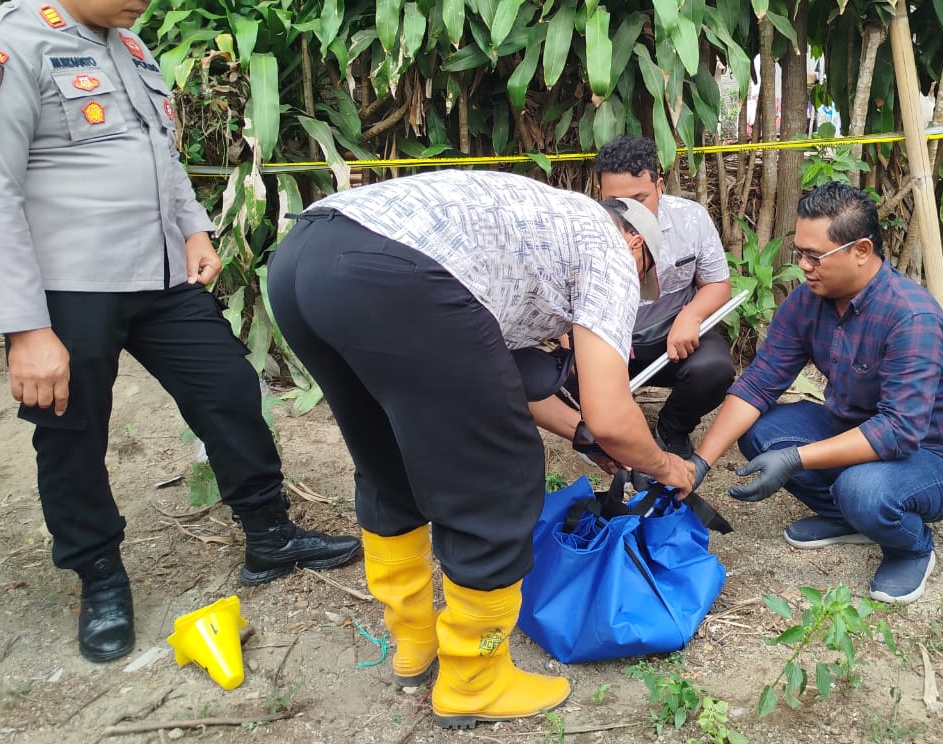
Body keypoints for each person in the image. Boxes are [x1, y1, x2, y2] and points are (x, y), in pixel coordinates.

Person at [0, 0, 361, 664]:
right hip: (68, 291)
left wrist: (191, 226)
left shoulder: (132, 50)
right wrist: (26, 329)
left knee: (230, 390)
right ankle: (99, 574)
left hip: (161, 276)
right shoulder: (5, 47)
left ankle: (269, 534)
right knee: (72, 437)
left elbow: (160, 154)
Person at [265, 170, 695, 729]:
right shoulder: (608, 247)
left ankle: (414, 642)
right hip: (392, 273)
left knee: (388, 458)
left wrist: (583, 437)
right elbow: (614, 416)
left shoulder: (535, 232)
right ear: (636, 243)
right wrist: (664, 465)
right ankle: (475, 680)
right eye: (642, 279)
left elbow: (505, 380)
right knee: (499, 476)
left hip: (307, 258)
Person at [691, 183, 943, 605]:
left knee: (862, 489)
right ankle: (850, 519)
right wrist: (700, 462)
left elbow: (897, 432)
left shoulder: (911, 316)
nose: (804, 266)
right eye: (800, 253)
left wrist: (795, 459)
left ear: (861, 250)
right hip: (855, 426)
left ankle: (910, 546)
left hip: (935, 456)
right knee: (760, 432)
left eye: (815, 256)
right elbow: (758, 384)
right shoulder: (808, 302)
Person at [592, 136, 735, 457]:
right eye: (615, 200)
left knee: (714, 369)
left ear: (659, 186)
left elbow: (718, 284)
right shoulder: (585, 228)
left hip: (672, 338)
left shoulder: (692, 219)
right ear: (599, 193)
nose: (629, 212)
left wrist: (691, 315)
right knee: (562, 372)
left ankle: (672, 428)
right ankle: (608, 428)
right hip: (606, 342)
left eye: (640, 198)